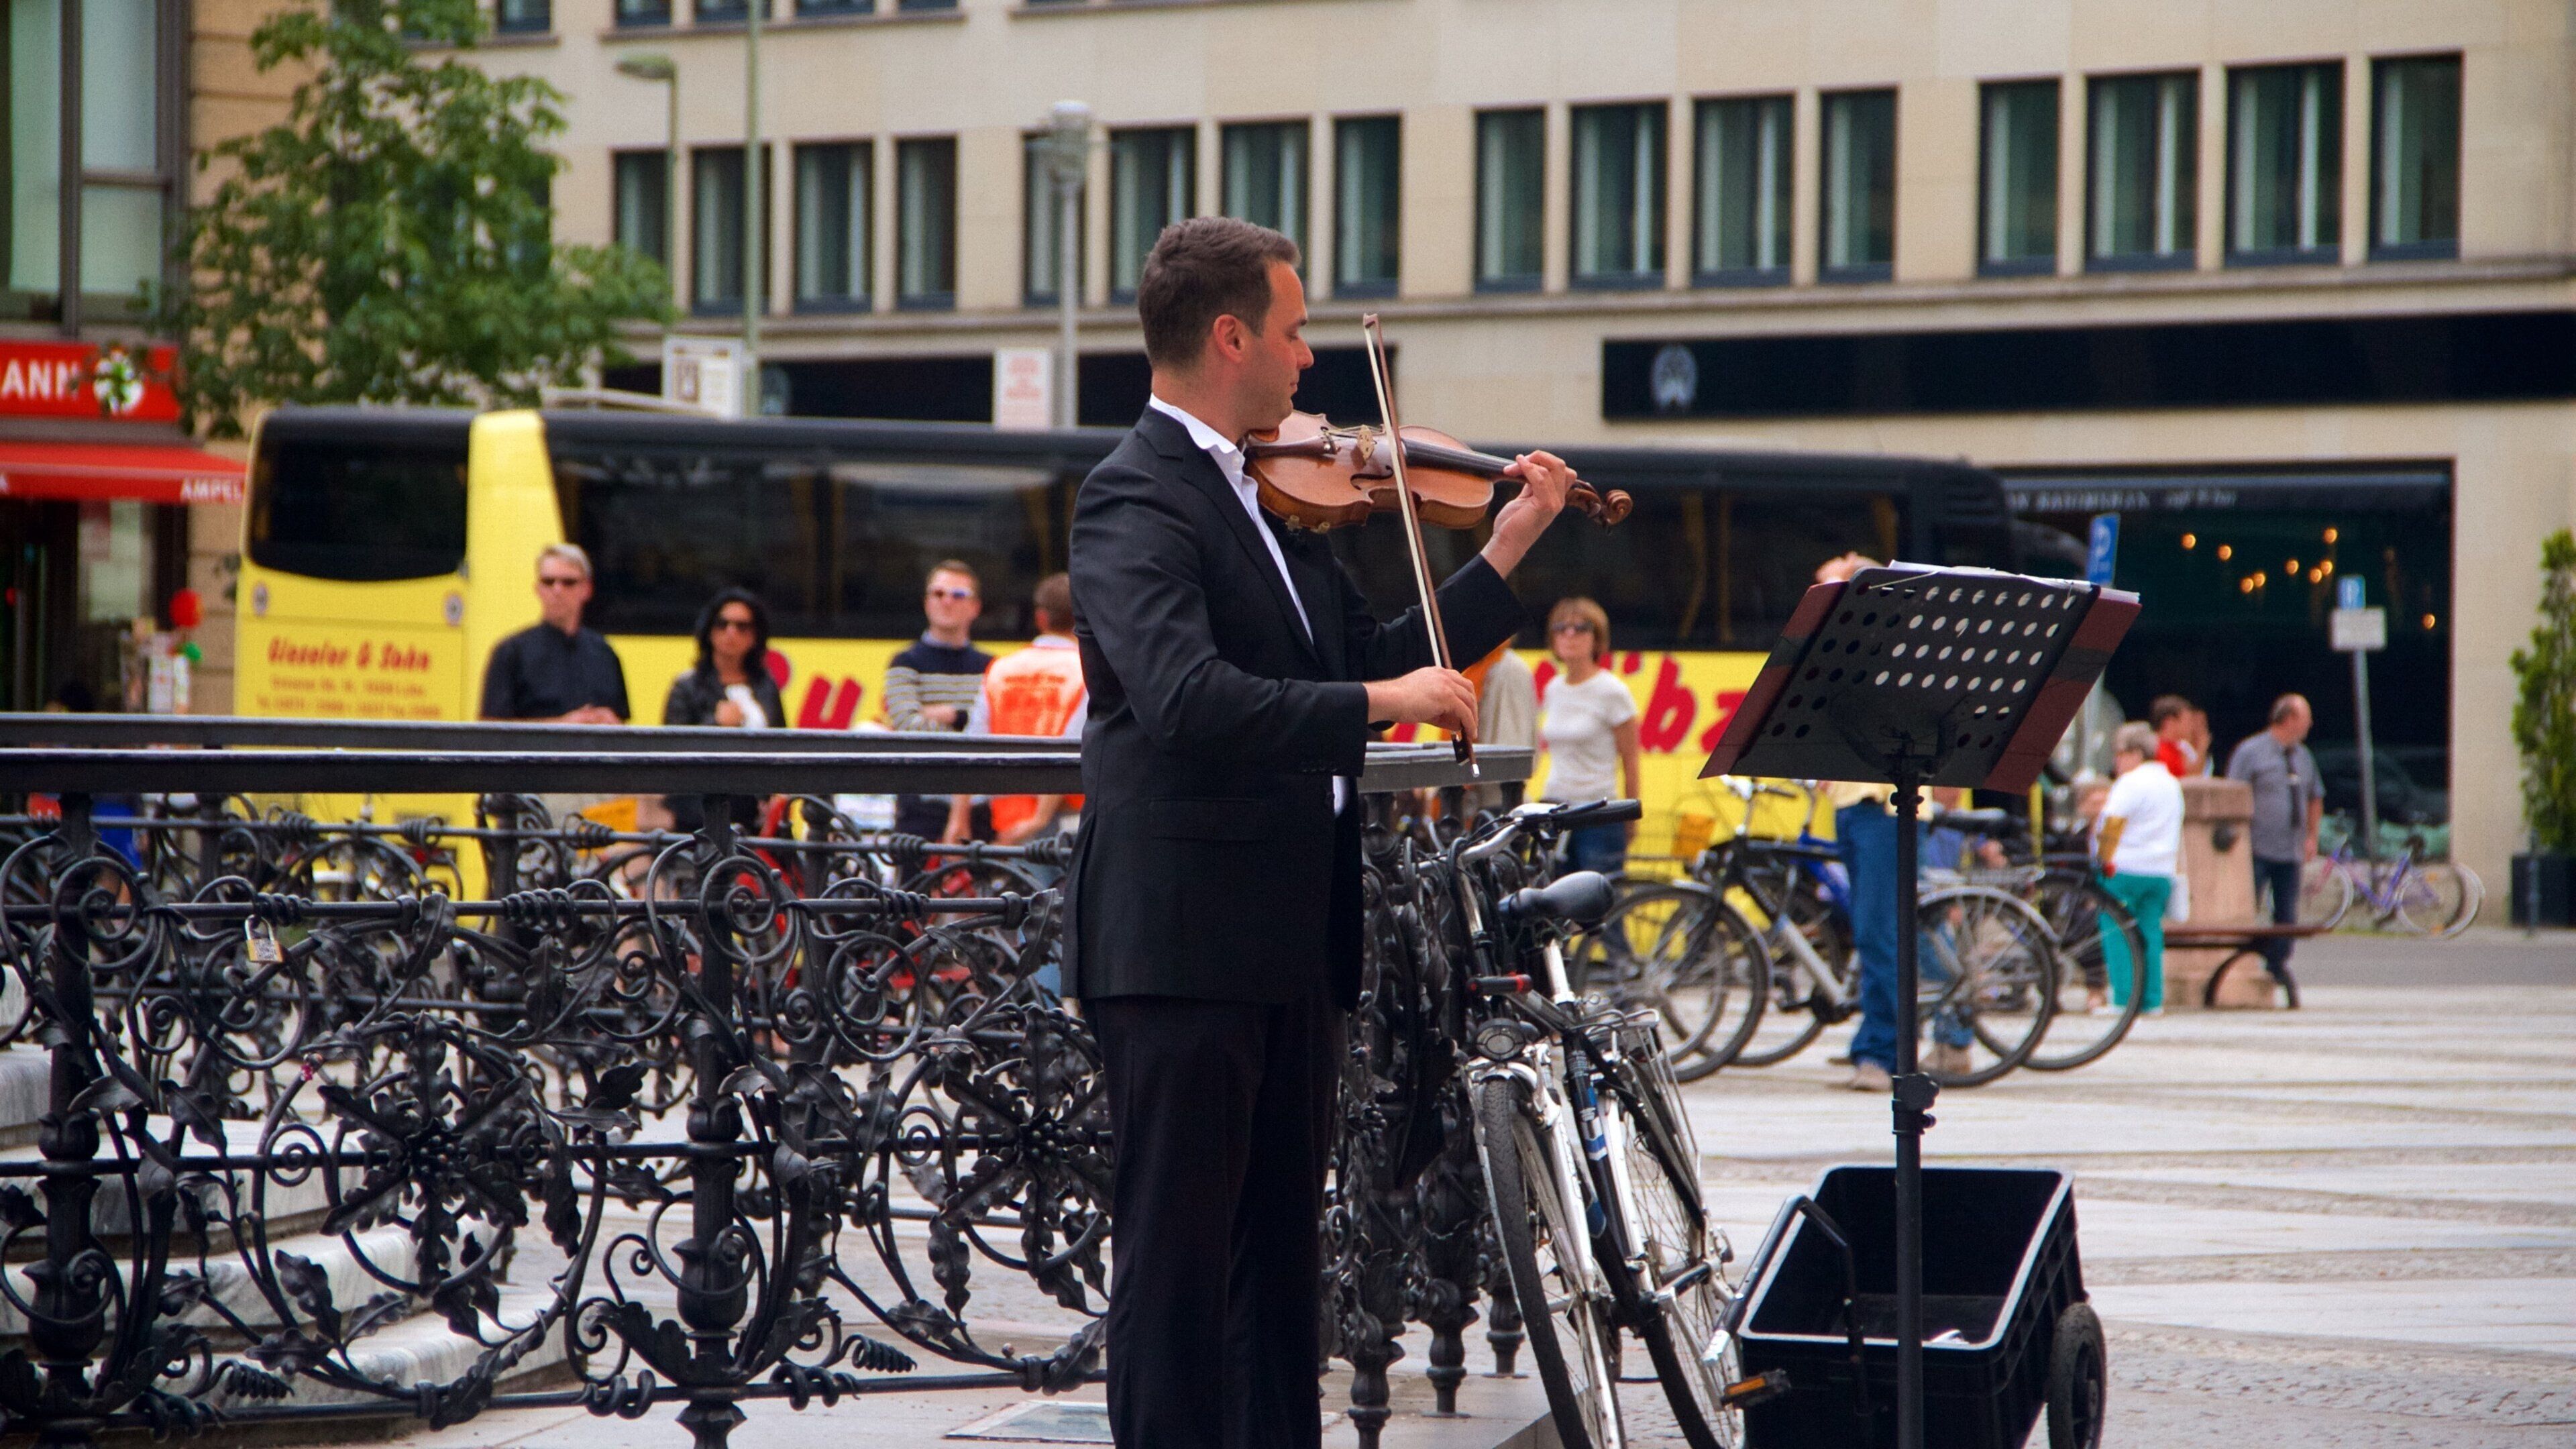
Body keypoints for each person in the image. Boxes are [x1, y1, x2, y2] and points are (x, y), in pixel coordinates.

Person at [1065, 215, 1574, 1449]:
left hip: (1288, 942)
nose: (1310, 365)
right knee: (1180, 1282)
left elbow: (1379, 656)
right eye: (1294, 334)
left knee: (1282, 1278)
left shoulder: (1270, 498)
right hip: (1181, 950)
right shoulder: (1134, 497)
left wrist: (1504, 550)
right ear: (1230, 336)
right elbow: (1186, 701)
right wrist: (1377, 708)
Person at [946, 572, 1087, 849]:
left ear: (1041, 619)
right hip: (1068, 822)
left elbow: (972, 745)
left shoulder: (1001, 670)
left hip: (1008, 823)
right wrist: (1038, 819)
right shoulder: (1087, 671)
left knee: (1017, 893)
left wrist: (958, 819)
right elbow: (1071, 746)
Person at [883, 559, 994, 841]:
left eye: (958, 595)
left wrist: (952, 715)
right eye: (938, 594)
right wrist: (970, 722)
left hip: (979, 807)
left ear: (975, 608)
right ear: (926, 602)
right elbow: (909, 727)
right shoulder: (904, 662)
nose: (947, 602)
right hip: (921, 802)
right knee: (912, 886)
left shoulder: (991, 667)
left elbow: (998, 731)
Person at [1536, 597, 1641, 875]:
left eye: (1581, 628)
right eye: (1561, 628)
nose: (1570, 634)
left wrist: (1630, 821)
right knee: (1554, 907)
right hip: (1555, 810)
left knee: (1600, 911)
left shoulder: (1612, 691)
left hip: (1598, 816)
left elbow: (1631, 762)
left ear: (1597, 639)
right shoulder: (1553, 688)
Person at [2228, 692, 2324, 983]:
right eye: (2306, 718)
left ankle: (2277, 964)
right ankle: (2240, 964)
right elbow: (2234, 794)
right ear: (2290, 719)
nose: (2310, 724)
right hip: (2257, 846)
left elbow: (2315, 796)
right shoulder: (2251, 751)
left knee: (2286, 914)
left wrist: (2311, 835)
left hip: (2290, 850)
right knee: (2247, 908)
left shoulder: (2302, 755)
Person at [479, 544, 629, 723]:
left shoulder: (605, 653)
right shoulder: (510, 653)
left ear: (587, 589)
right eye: (549, 582)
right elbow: (492, 731)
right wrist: (563, 726)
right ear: (538, 589)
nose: (557, 591)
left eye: (569, 582)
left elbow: (623, 725)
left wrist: (612, 723)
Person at [2096, 721, 2184, 1014]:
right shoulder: (2171, 784)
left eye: (2119, 753)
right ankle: (2151, 999)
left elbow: (2112, 823)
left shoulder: (2131, 782)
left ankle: (2124, 998)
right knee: (2150, 933)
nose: (2117, 761)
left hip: (2125, 868)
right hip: (2160, 871)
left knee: (2117, 931)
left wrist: (2101, 857)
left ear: (2135, 752)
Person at [662, 588, 785, 730]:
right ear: (709, 631)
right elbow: (673, 745)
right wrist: (716, 723)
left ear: (755, 636)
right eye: (722, 624)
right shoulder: (686, 689)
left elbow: (784, 742)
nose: (731, 632)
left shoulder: (766, 686)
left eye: (742, 627)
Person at [1469, 642, 1536, 815]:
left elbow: (1514, 754)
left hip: (1501, 803)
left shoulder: (1510, 670)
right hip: (1477, 802)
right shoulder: (1474, 667)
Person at [2150, 694, 2208, 777]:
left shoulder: (2178, 748)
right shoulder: (2155, 750)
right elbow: (2189, 778)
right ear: (2170, 722)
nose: (2191, 726)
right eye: (2187, 721)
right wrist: (2202, 746)